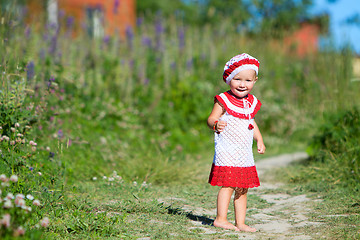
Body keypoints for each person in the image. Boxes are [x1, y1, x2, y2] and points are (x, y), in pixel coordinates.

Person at [207, 53, 266, 232]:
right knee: (229, 184)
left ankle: (240, 222)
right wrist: (216, 124)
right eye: (237, 79)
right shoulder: (223, 100)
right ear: (229, 79)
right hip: (227, 149)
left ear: (255, 80)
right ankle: (221, 218)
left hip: (244, 152)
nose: (242, 84)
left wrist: (259, 139)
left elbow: (251, 122)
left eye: (248, 80)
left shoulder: (250, 102)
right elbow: (210, 119)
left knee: (243, 186)